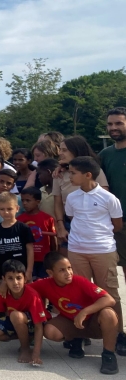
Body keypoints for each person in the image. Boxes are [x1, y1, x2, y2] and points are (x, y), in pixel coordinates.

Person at [65, 156, 125, 348]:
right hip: (76, 250)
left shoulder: (109, 199)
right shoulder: (72, 197)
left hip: (103, 250)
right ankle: (81, 333)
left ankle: (117, 334)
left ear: (88, 175)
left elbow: (117, 225)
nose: (69, 176)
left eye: (73, 173)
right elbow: (72, 216)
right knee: (79, 293)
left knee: (109, 293)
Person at [29, 252, 120, 374]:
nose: (68, 273)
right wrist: (4, 286)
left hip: (93, 321)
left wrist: (85, 311)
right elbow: (24, 289)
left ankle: (109, 354)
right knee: (50, 331)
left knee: (109, 314)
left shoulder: (79, 281)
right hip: (71, 321)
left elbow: (109, 299)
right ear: (50, 273)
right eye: (62, 270)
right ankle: (76, 339)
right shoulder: (45, 284)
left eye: (69, 268)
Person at [0, 260, 47, 366]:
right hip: (15, 321)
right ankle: (25, 337)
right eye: (10, 279)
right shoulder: (2, 293)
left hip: (34, 323)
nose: (15, 282)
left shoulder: (32, 295)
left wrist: (36, 354)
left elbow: (39, 326)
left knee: (15, 315)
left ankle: (25, 348)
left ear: (25, 279)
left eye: (19, 278)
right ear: (4, 280)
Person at [53, 136, 109, 257]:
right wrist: (60, 226)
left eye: (64, 150)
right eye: (60, 149)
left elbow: (104, 196)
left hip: (93, 223)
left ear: (76, 151)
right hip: (68, 223)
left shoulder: (95, 170)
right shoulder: (59, 174)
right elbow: (57, 202)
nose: (60, 153)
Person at [99, 107, 126, 313]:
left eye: (118, 123)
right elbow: (85, 171)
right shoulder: (105, 154)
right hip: (116, 223)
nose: (113, 128)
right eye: (110, 124)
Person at [17, 187, 57, 279]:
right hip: (26, 259)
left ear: (38, 201)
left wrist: (53, 255)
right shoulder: (19, 220)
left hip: (44, 259)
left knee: (44, 282)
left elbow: (52, 238)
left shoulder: (47, 218)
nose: (24, 203)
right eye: (23, 200)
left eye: (28, 200)